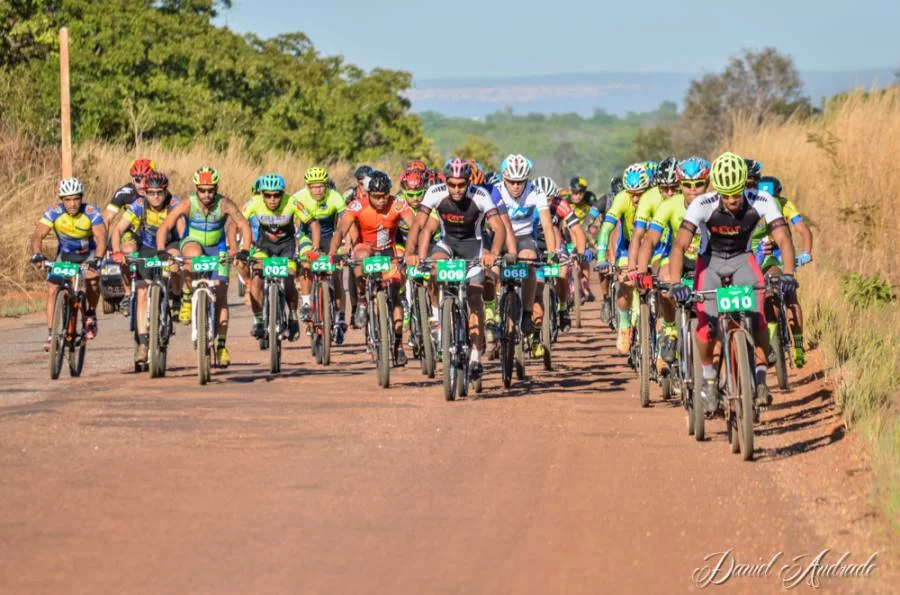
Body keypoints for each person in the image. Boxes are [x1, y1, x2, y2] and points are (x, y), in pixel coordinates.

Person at [668, 152, 796, 413]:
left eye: (736, 194)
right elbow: (680, 245)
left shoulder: (761, 200)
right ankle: (710, 380)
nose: (732, 200)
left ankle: (760, 379)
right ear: (717, 189)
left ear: (744, 187)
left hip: (743, 261)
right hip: (710, 263)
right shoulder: (702, 204)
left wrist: (789, 274)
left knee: (759, 316)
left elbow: (783, 238)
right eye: (726, 195)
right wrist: (674, 283)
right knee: (706, 326)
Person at [404, 157, 509, 377]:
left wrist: (493, 254)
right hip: (448, 243)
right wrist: (410, 253)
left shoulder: (481, 196)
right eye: (452, 184)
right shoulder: (435, 192)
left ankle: (475, 355)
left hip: (474, 247)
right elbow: (419, 225)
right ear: (446, 181)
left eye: (461, 184)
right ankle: (436, 315)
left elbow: (499, 228)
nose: (456, 189)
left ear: (469, 182)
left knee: (474, 298)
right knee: (434, 267)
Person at [155, 166, 253, 367]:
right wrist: (160, 249)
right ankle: (187, 296)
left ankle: (221, 346)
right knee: (192, 254)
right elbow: (166, 226)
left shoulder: (224, 203)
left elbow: (243, 224)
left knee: (221, 294)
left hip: (218, 248)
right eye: (202, 190)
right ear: (196, 189)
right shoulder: (187, 203)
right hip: (193, 242)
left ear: (216, 188)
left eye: (210, 190)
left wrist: (245, 248)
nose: (207, 194)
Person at [330, 171, 414, 364]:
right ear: (368, 194)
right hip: (366, 247)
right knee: (359, 257)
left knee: (394, 292)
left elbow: (414, 225)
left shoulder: (398, 203)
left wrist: (411, 252)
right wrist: (332, 253)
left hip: (389, 251)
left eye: (385, 195)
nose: (381, 200)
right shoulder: (357, 205)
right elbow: (341, 229)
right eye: (376, 196)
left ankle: (399, 344)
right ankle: (361, 299)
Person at [634, 157, 710, 372]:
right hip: (679, 259)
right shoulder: (669, 205)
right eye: (687, 185)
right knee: (665, 283)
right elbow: (649, 239)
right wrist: (641, 271)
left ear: (709, 183)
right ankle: (669, 330)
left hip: (709, 261)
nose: (693, 191)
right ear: (680, 185)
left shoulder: (717, 203)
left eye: (699, 185)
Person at [109, 171, 185, 366]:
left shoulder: (174, 204)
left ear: (166, 191)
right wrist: (117, 251)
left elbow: (183, 231)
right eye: (151, 193)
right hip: (146, 247)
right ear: (146, 193)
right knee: (142, 291)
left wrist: (182, 254)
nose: (156, 197)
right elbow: (118, 229)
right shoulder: (138, 205)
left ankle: (177, 296)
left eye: (160, 192)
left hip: (169, 244)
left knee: (177, 262)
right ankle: (143, 343)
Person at [239, 173, 318, 343]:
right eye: (268, 195)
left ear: (283, 194)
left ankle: (293, 317)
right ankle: (259, 320)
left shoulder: (292, 202)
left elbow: (313, 223)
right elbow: (236, 222)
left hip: (286, 247)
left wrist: (316, 248)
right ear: (262, 194)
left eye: (277, 195)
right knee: (257, 280)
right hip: (263, 247)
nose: (272, 199)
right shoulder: (254, 203)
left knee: (289, 280)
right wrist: (237, 248)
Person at [30, 177, 106, 351]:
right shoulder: (54, 212)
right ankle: (51, 334)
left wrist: (98, 259)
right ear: (61, 200)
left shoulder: (91, 211)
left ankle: (90, 315)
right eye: (68, 199)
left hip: (89, 255)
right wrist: (37, 254)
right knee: (52, 288)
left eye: (76, 199)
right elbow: (37, 235)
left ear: (81, 198)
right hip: (65, 256)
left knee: (92, 282)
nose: (72, 204)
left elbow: (101, 237)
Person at [489, 154, 556, 335]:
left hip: (525, 237)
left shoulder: (536, 192)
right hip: (500, 236)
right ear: (504, 178)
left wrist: (552, 253)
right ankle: (492, 314)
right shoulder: (495, 191)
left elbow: (548, 226)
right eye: (511, 181)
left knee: (529, 262)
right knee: (493, 268)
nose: (516, 186)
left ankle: (527, 313)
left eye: (520, 181)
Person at [753, 174, 813, 367]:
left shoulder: (786, 205)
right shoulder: (753, 207)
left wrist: (806, 252)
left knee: (789, 294)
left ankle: (798, 344)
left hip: (780, 255)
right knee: (766, 295)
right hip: (758, 255)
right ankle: (768, 340)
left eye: (774, 198)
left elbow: (803, 230)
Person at [597, 163, 650, 353]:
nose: (635, 198)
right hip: (627, 247)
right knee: (625, 283)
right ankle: (625, 324)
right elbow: (606, 228)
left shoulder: (655, 198)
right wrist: (602, 257)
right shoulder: (621, 199)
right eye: (631, 193)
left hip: (651, 246)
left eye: (640, 193)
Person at [292, 166, 349, 341]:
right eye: (313, 186)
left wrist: (348, 244)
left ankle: (339, 317)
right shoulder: (298, 198)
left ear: (326, 185)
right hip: (306, 237)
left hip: (330, 237)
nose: (317, 190)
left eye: (320, 186)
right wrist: (294, 246)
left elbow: (346, 222)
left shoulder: (335, 197)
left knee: (337, 273)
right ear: (308, 187)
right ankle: (307, 302)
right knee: (306, 263)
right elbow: (292, 224)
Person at [531, 176, 588, 336]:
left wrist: (581, 253)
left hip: (555, 243)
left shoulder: (560, 204)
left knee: (562, 274)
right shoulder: (529, 202)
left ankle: (563, 308)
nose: (546, 202)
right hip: (534, 242)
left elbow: (577, 230)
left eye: (549, 199)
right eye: (542, 199)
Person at [103, 158, 155, 312]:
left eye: (145, 179)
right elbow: (107, 218)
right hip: (132, 232)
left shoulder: (157, 190)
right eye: (137, 179)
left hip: (152, 233)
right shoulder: (124, 193)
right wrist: (106, 246)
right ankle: (127, 292)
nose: (141, 184)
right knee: (126, 252)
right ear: (132, 178)